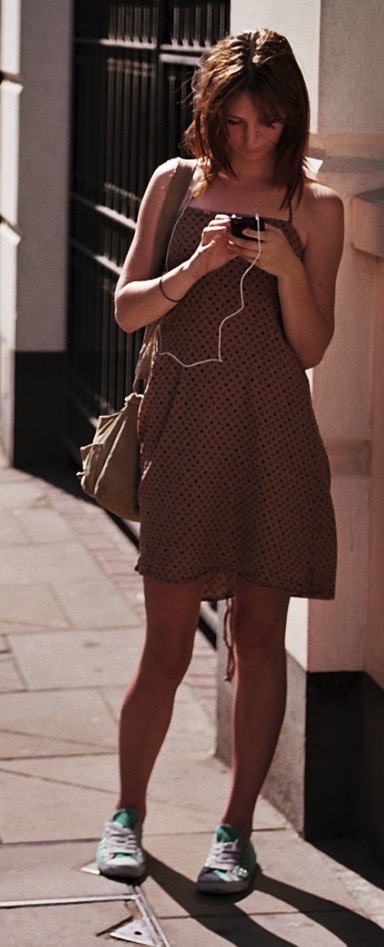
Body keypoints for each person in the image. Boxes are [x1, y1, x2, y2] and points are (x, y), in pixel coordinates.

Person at [96, 29, 344, 894]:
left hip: (274, 440)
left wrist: (284, 269)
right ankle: (126, 814)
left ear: (290, 118)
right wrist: (194, 270)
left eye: (267, 122)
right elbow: (128, 312)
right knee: (165, 645)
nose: (248, 138)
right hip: (184, 437)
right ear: (211, 113)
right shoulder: (175, 186)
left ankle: (235, 832)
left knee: (259, 639)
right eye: (233, 120)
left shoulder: (316, 209)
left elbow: (312, 347)